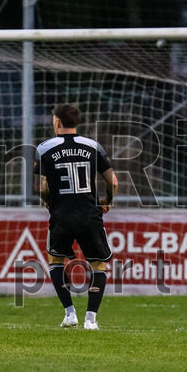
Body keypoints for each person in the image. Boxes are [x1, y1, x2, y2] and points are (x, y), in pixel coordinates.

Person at [33, 104, 119, 330]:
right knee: (98, 265)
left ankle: (70, 313)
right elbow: (114, 182)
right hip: (90, 215)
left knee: (55, 261)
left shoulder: (44, 148)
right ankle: (91, 319)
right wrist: (108, 200)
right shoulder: (93, 146)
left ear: (57, 122)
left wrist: (48, 201)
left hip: (61, 214)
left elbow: (41, 186)